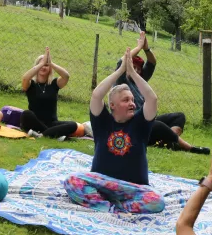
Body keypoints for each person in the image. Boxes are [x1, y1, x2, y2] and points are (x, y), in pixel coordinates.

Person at [63, 48, 164, 214]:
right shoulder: (102, 121)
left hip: (133, 188)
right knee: (71, 181)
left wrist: (132, 72)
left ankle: (115, 208)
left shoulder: (141, 122)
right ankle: (108, 207)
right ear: (112, 105)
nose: (132, 103)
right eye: (126, 100)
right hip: (101, 183)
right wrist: (120, 71)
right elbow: (96, 95)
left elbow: (152, 99)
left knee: (156, 201)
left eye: (132, 100)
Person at [114, 32, 209, 154]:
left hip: (146, 122)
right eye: (133, 68)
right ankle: (190, 148)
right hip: (132, 126)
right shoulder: (121, 81)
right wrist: (138, 47)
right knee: (156, 125)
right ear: (127, 68)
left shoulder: (140, 80)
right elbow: (120, 62)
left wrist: (146, 48)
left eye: (138, 69)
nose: (136, 71)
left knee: (179, 117)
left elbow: (152, 62)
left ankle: (170, 143)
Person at [20, 47, 79, 140]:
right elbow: (25, 78)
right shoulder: (30, 84)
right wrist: (42, 63)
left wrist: (51, 63)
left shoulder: (54, 84)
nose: (43, 67)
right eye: (40, 65)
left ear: (50, 69)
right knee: (26, 114)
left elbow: (66, 76)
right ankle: (53, 134)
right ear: (36, 67)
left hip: (52, 123)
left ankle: (42, 134)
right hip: (35, 121)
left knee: (73, 125)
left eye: (46, 65)